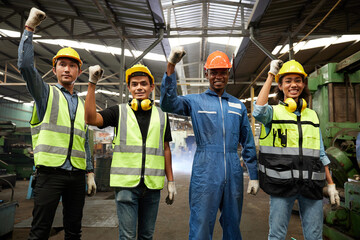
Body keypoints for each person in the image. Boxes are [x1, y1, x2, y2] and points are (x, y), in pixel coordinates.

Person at [160, 47, 259, 240]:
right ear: (207, 74)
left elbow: (247, 142)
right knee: (201, 224)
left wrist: (253, 174)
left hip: (233, 170)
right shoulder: (195, 102)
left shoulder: (238, 106)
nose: (218, 76)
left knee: (233, 225)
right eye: (214, 72)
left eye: (223, 72)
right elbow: (167, 104)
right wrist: (171, 66)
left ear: (228, 74)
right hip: (205, 170)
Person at [17, 7, 96, 240]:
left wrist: (90, 172)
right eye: (62, 64)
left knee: (74, 231)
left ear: (79, 72)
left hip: (76, 177)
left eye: (72, 66)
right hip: (49, 175)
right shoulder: (45, 94)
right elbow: (24, 66)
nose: (67, 69)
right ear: (54, 69)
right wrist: (29, 28)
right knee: (40, 230)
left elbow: (84, 139)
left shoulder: (83, 105)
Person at [84, 63, 176, 240]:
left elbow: (165, 148)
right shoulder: (119, 112)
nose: (139, 87)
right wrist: (92, 84)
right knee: (127, 237)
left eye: (143, 83)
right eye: (134, 84)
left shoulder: (162, 116)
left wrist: (170, 181)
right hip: (126, 186)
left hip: (152, 187)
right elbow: (89, 118)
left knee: (147, 236)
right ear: (129, 88)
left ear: (151, 87)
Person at [253, 59, 340, 240]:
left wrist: (330, 184)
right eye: (288, 80)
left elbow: (320, 153)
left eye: (298, 80)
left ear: (304, 83)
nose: (294, 85)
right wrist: (270, 74)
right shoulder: (273, 112)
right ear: (281, 85)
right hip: (282, 187)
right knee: (277, 236)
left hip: (311, 186)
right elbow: (258, 111)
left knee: (314, 237)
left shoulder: (312, 115)